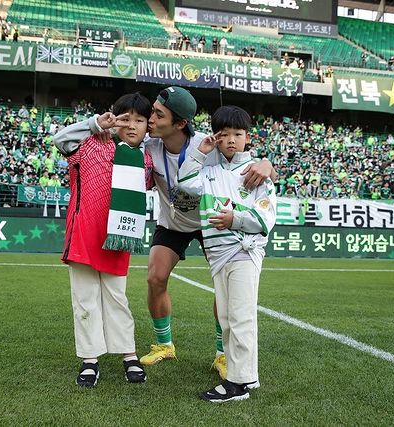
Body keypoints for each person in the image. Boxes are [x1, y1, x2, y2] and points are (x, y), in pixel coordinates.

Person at [139, 86, 275, 381]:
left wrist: (267, 165)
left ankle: (221, 354)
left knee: (223, 286)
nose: (150, 119)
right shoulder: (148, 144)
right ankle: (164, 344)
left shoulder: (209, 143)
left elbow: (244, 162)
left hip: (209, 222)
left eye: (157, 114)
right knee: (155, 277)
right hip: (172, 221)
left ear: (180, 123)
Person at [53, 93, 155, 387]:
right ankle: (90, 360)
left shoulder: (145, 159)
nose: (132, 125)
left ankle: (129, 356)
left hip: (119, 237)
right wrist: (95, 123)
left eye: (140, 120)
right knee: (85, 301)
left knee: (116, 299)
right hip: (84, 235)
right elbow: (60, 140)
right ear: (115, 118)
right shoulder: (89, 144)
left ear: (148, 125)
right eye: (126, 118)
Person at [176, 106, 276, 402]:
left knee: (241, 317)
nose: (231, 140)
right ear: (216, 137)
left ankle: (239, 384)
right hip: (217, 255)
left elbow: (265, 218)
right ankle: (245, 376)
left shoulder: (257, 173)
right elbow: (184, 183)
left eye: (238, 134)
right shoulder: (208, 172)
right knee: (228, 318)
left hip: (244, 252)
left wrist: (235, 220)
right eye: (224, 135)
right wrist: (199, 151)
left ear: (248, 137)